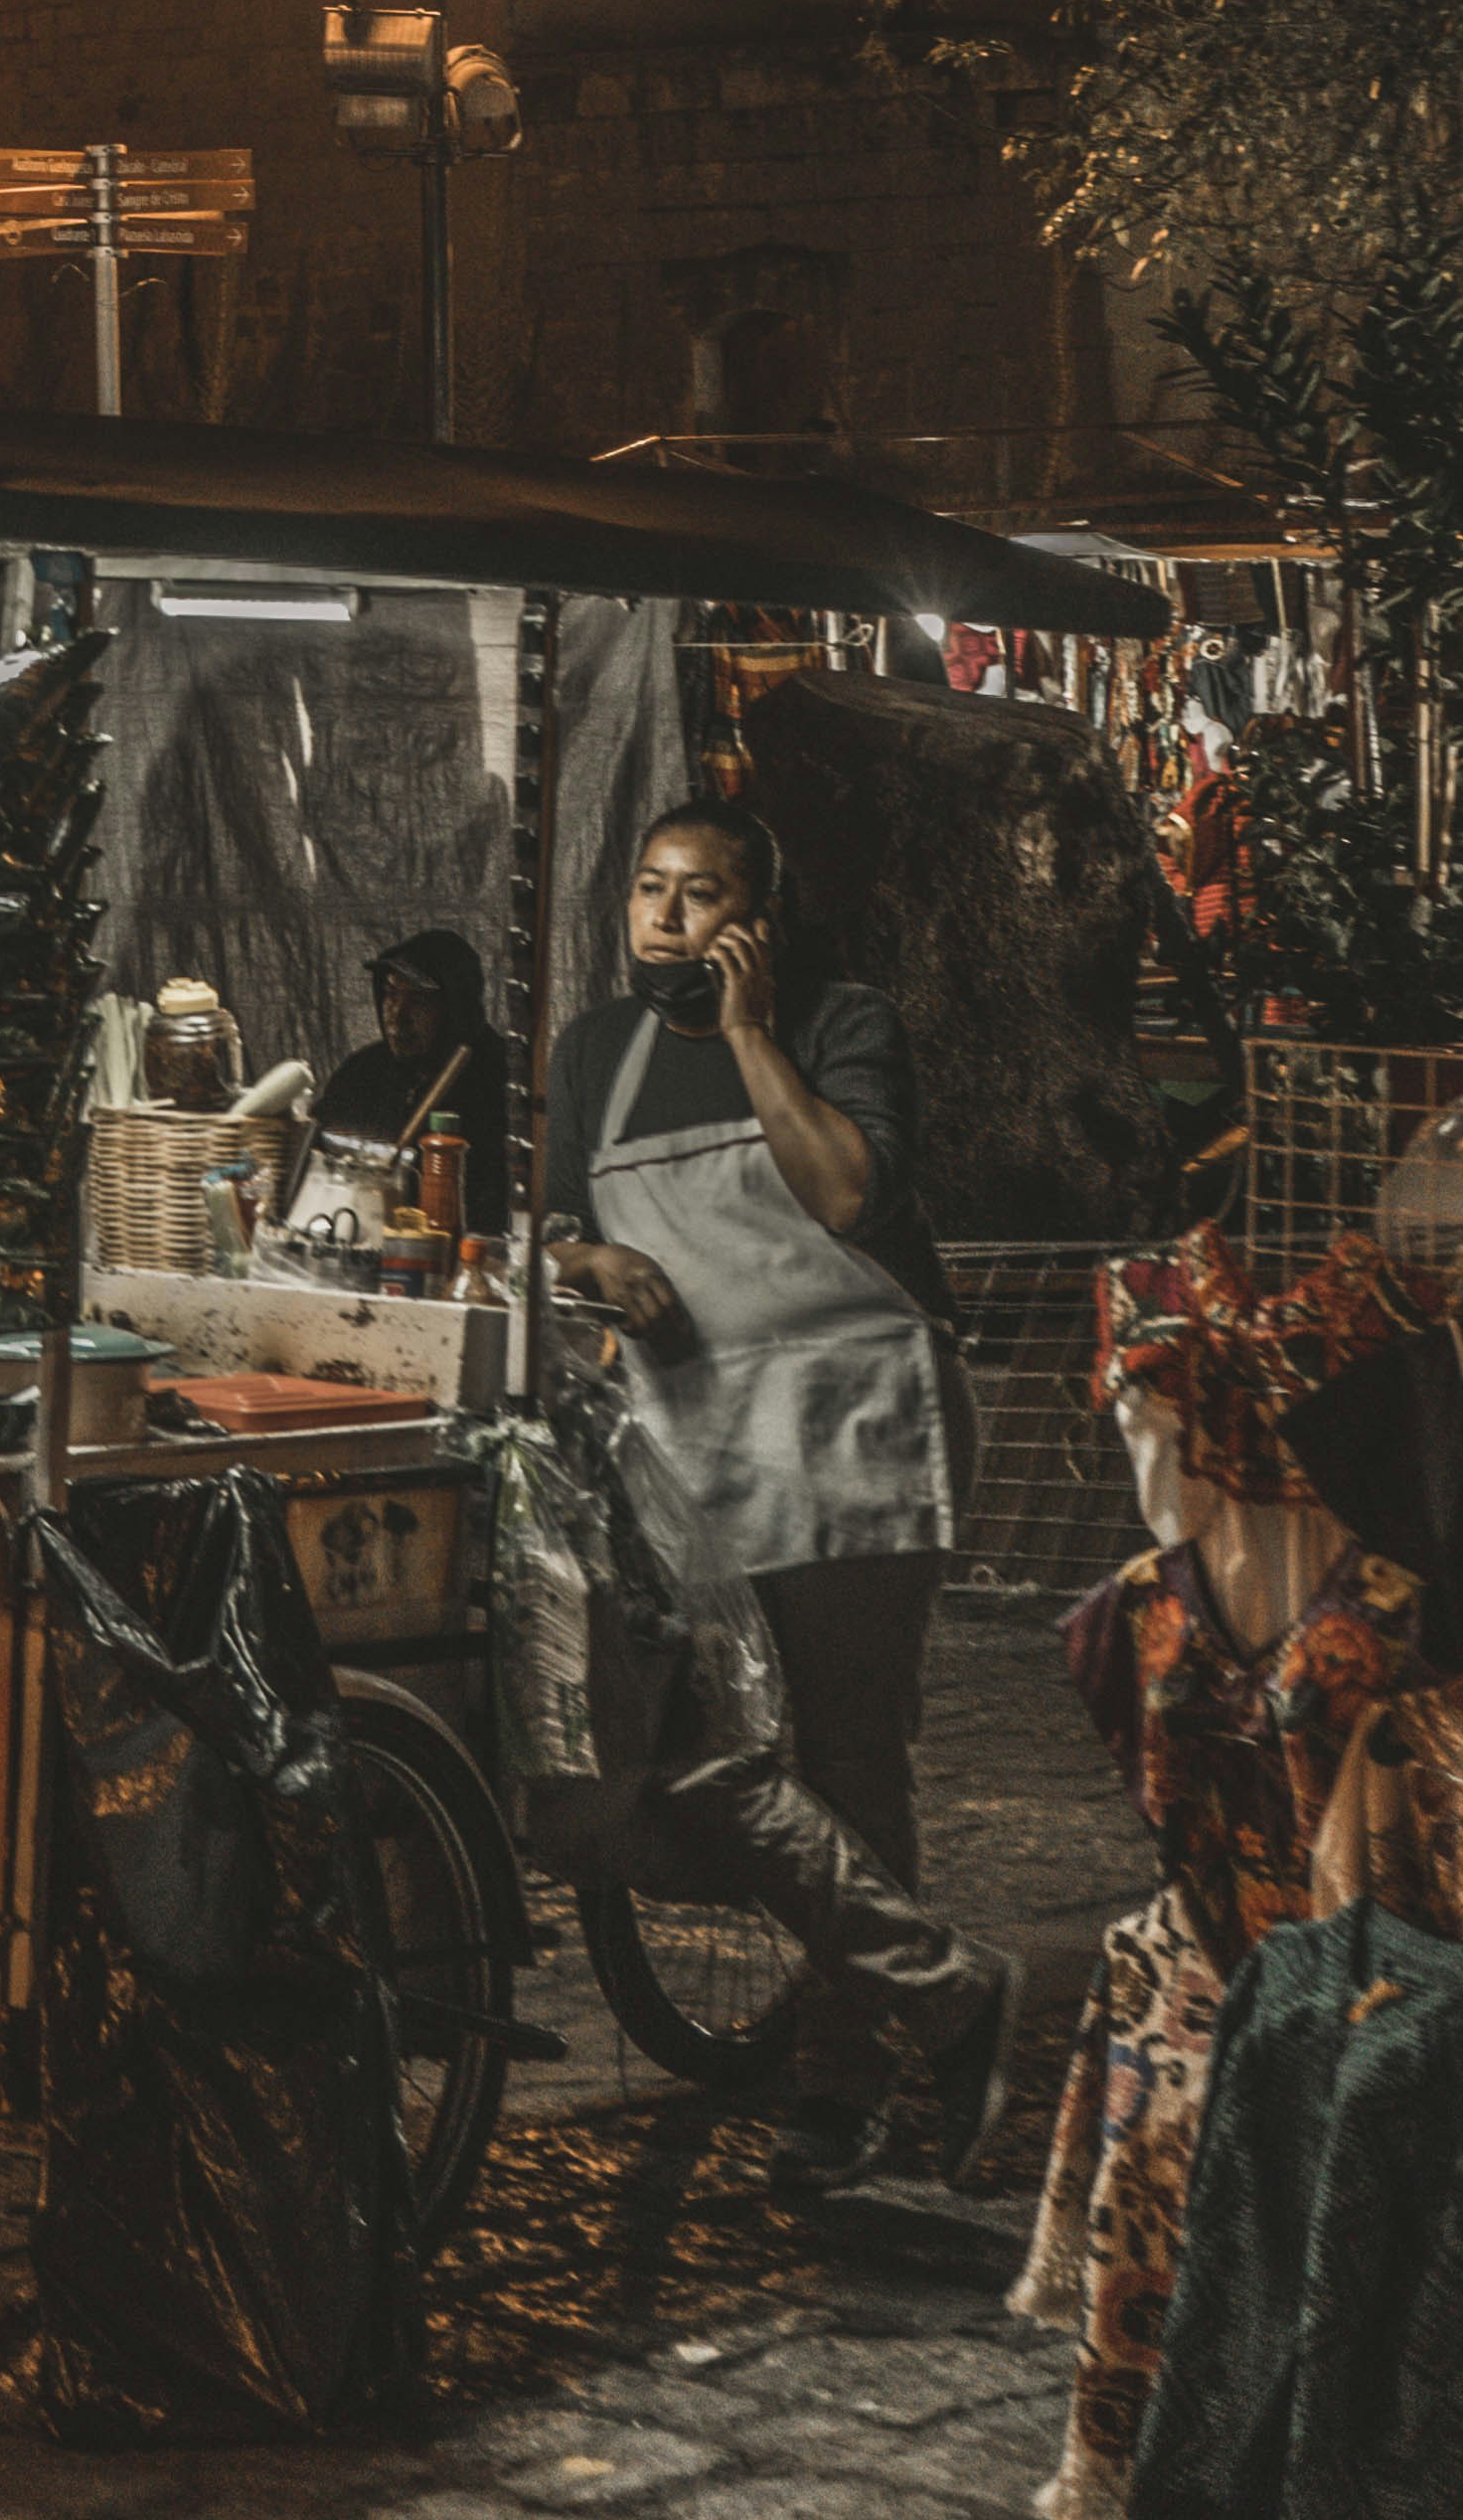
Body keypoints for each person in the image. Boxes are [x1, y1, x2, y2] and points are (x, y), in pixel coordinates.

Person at [545, 796, 1020, 2191]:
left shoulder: (841, 1024)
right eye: (649, 889)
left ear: (760, 922)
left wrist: (753, 1034)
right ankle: (936, 1992)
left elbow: (848, 1196)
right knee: (696, 1751)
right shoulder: (597, 1054)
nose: (669, 918)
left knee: (847, 1759)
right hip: (687, 1440)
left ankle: (843, 2072)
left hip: (847, 1430)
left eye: (702, 896)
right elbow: (561, 1219)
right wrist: (587, 1268)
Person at [306, 925, 513, 1235]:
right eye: (390, 994)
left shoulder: (500, 1081)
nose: (397, 1015)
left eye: (418, 1001)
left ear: (455, 1006)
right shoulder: (362, 1074)